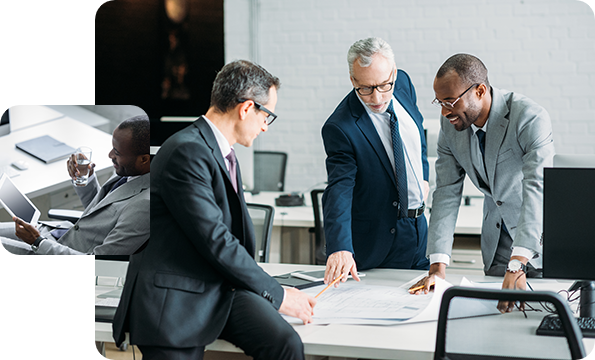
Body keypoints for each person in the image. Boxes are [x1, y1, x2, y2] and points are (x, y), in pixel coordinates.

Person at [112, 60, 316, 360]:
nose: (265, 126)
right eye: (267, 115)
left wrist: (273, 290)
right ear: (247, 108)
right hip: (176, 300)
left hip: (218, 287)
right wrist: (280, 295)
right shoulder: (186, 151)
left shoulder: (221, 152)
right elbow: (216, 239)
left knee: (285, 344)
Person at [410, 54, 555, 313]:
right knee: (496, 322)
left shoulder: (529, 117)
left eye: (450, 101)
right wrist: (437, 267)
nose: (444, 111)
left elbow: (537, 186)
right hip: (496, 244)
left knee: (543, 319)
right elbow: (446, 191)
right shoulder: (451, 125)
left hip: (540, 242)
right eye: (440, 102)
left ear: (479, 91)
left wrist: (518, 262)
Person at [322, 37, 430, 286]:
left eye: (383, 85)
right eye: (366, 88)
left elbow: (417, 133)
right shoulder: (341, 127)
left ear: (393, 74)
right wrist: (339, 247)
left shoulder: (403, 84)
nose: (377, 97)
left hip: (419, 228)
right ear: (353, 81)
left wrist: (422, 177)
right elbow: (339, 188)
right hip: (382, 240)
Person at [0, 115, 150, 255]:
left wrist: (38, 241)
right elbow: (99, 213)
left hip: (55, 252)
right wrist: (86, 178)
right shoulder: (130, 170)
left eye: (117, 152)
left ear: (143, 159)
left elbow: (98, 261)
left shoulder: (144, 206)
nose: (110, 155)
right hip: (58, 232)